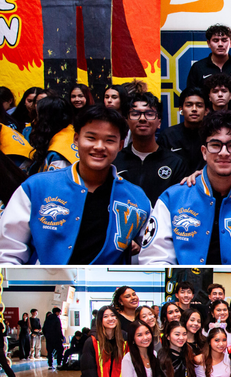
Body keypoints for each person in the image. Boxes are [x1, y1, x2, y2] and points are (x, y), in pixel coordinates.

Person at [0, 105, 150, 265]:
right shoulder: (37, 187)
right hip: (46, 286)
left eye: (109, 140)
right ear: (76, 139)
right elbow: (9, 251)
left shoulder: (136, 198)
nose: (99, 146)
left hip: (108, 288)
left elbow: (154, 254)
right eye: (91, 138)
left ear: (120, 146)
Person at [141, 111, 231, 266]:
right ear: (204, 152)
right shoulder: (172, 199)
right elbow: (154, 261)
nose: (224, 153)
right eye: (216, 145)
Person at [114, 93, 189, 206]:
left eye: (149, 114)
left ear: (159, 122)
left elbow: (179, 205)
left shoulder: (175, 163)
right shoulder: (115, 162)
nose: (142, 118)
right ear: (126, 121)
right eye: (135, 114)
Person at [186, 25, 231, 111]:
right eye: (215, 40)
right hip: (206, 120)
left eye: (224, 40)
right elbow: (191, 96)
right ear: (208, 43)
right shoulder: (198, 68)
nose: (220, 44)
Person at [157, 88, 207, 173]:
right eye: (189, 105)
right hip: (175, 184)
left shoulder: (212, 135)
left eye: (199, 105)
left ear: (206, 111)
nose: (194, 109)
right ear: (181, 110)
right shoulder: (168, 136)